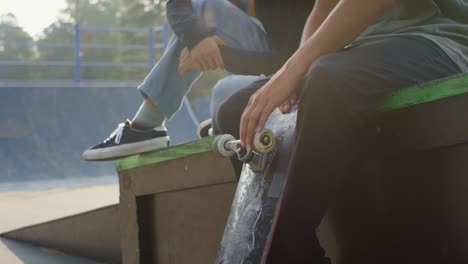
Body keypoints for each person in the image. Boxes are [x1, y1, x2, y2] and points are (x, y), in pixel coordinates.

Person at [216, 0, 468, 262]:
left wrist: (296, 68)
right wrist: (295, 73)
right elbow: (322, 9)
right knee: (236, 110)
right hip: (360, 49)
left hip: (435, 40)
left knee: (327, 80)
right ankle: (290, 249)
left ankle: (286, 239)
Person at [82, 0, 315, 161]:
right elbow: (179, 3)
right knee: (203, 9)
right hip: (271, 50)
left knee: (222, 90)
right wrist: (198, 40)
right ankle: (148, 123)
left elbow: (294, 61)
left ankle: (147, 124)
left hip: (304, 63)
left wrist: (224, 56)